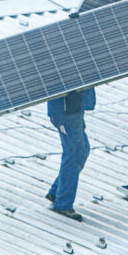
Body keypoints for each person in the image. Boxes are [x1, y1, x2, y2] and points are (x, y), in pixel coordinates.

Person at [45, 87, 95, 222]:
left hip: (75, 108)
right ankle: (63, 203)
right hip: (65, 111)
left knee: (82, 151)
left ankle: (57, 192)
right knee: (74, 155)